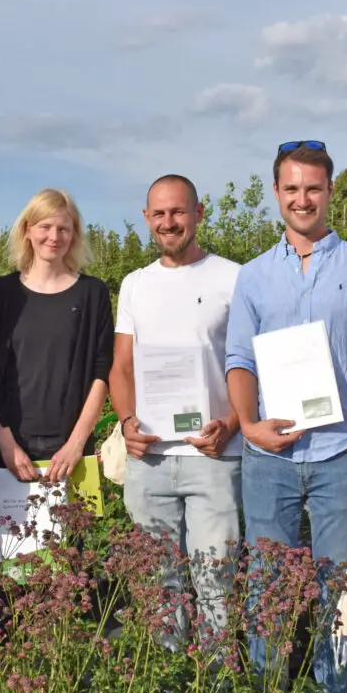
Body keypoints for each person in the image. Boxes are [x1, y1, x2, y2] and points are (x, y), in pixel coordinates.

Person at [226, 140, 347, 693]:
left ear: (330, 192)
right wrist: (248, 424)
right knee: (267, 591)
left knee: (337, 589)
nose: (303, 199)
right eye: (292, 188)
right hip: (268, 455)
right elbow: (239, 359)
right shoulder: (251, 276)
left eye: (314, 188)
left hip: (343, 453)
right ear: (277, 194)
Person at [109, 174, 242, 645]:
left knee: (216, 583)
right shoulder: (134, 285)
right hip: (150, 456)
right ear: (147, 219)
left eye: (179, 211)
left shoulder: (233, 277)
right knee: (156, 584)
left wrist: (232, 422)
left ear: (198, 213)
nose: (169, 222)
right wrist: (127, 423)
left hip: (213, 453)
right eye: (159, 214)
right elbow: (121, 368)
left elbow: (250, 364)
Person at [0, 189, 113, 506]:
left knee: (77, 552)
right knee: (14, 551)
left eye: (64, 229)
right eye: (45, 227)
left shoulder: (93, 294)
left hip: (70, 451)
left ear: (74, 234)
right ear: (27, 230)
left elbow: (101, 372)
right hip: (10, 449)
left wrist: (76, 443)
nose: (54, 237)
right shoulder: (0, 293)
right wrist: (4, 440)